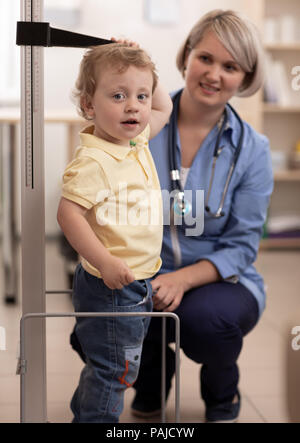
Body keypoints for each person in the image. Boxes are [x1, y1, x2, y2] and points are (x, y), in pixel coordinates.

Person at [131, 10, 274, 423]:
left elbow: (243, 245)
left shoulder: (253, 150)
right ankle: (153, 377)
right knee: (94, 322)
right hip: (145, 270)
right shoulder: (141, 124)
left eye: (230, 67)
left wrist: (182, 279)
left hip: (221, 280)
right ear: (187, 56)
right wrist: (121, 73)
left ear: (245, 78)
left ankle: (221, 393)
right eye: (206, 58)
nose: (214, 74)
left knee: (205, 323)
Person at [57, 42, 172, 423]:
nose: (134, 106)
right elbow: (68, 214)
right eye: (118, 95)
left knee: (112, 365)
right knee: (115, 370)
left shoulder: (135, 141)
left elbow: (164, 107)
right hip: (112, 284)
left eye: (140, 95)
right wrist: (104, 260)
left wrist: (146, 67)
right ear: (89, 106)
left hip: (135, 280)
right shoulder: (95, 159)